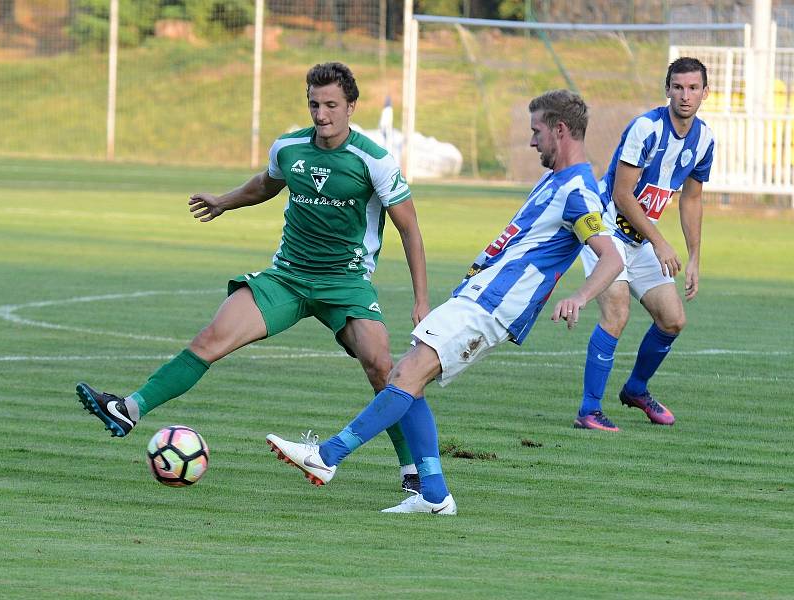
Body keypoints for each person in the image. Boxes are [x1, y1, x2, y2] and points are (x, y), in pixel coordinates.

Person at [75, 62, 430, 494]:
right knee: (210, 339)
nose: (322, 115)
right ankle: (128, 408)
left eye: (332, 105)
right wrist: (224, 201)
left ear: (351, 106)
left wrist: (420, 300)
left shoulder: (373, 160)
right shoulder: (289, 147)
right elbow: (266, 184)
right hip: (287, 277)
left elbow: (409, 229)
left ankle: (411, 468)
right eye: (314, 104)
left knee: (382, 368)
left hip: (346, 282)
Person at [265, 89, 624, 515]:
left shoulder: (579, 188)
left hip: (493, 305)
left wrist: (581, 295)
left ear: (560, 130)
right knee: (407, 378)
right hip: (479, 295)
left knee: (406, 375)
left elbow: (611, 255)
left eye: (537, 131)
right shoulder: (558, 180)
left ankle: (327, 456)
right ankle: (434, 495)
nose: (532, 142)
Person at [573, 57, 714, 432]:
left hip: (640, 239)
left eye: (693, 88)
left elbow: (692, 199)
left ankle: (635, 389)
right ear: (667, 89)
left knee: (673, 320)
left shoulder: (704, 139)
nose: (686, 95)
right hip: (603, 231)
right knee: (616, 313)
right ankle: (588, 410)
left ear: (705, 92)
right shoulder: (646, 128)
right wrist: (662, 243)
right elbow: (621, 194)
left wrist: (695, 257)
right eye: (679, 87)